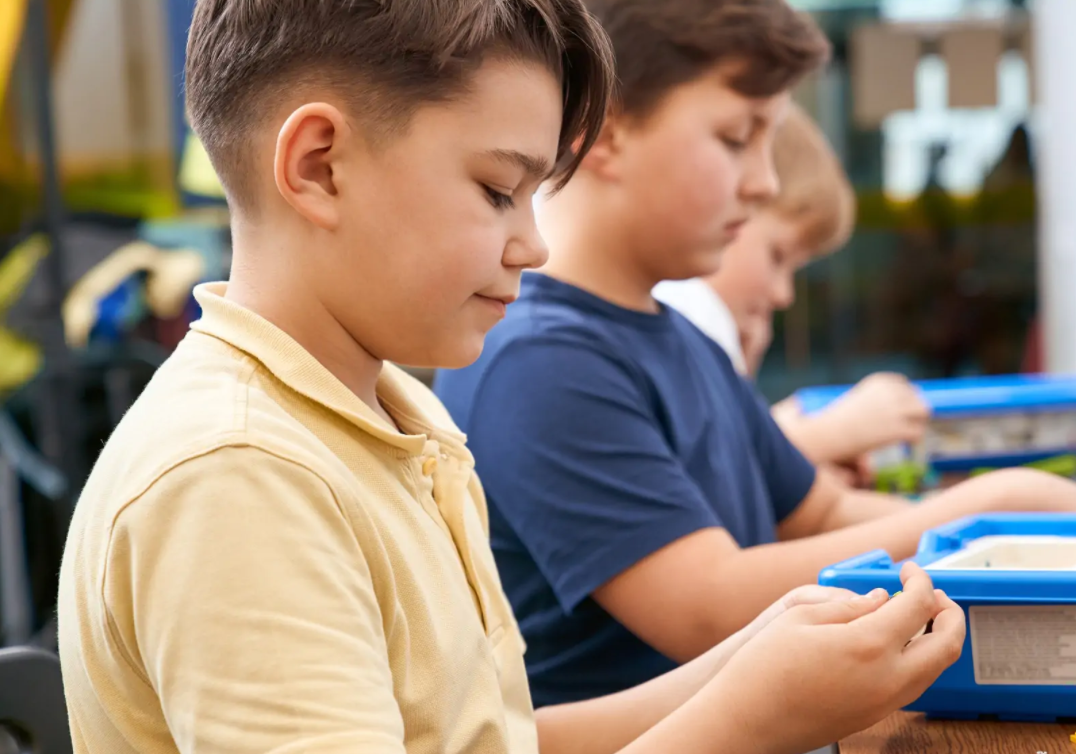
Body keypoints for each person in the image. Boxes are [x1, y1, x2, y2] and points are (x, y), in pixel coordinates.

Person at [55, 1, 968, 753]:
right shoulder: (242, 473)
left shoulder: (391, 422)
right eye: (498, 189)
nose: (532, 243)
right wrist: (747, 720)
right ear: (319, 167)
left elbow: (497, 739)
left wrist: (747, 662)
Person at [432, 0, 1076, 709]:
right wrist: (996, 504)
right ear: (608, 135)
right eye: (738, 138)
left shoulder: (680, 341)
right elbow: (710, 607)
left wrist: (997, 526)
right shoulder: (540, 363)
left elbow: (821, 513)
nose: (766, 181)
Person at [653, 107, 928, 483]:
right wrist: (833, 432)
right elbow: (714, 478)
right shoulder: (690, 310)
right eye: (777, 256)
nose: (783, 295)